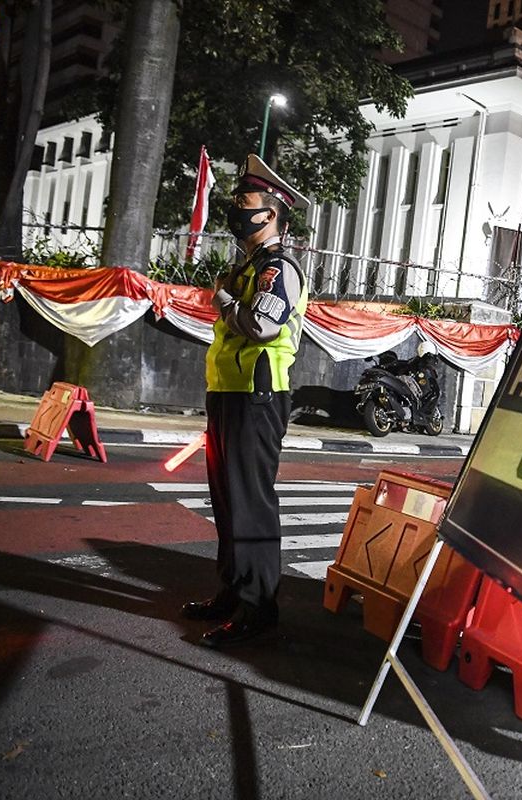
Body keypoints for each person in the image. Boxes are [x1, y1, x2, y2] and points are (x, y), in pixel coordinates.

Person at [181, 154, 310, 648]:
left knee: (251, 504)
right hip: (230, 395)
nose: (237, 212)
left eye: (247, 204)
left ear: (272, 213)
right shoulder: (250, 266)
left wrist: (223, 301)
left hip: (258, 398)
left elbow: (263, 326)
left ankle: (259, 608)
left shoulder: (278, 268)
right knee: (228, 501)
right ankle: (231, 591)